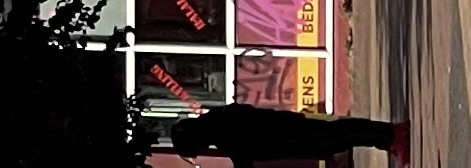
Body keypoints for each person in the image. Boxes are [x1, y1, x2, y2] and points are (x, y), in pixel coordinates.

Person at [142, 102, 411, 164]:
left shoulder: (220, 127)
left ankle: (389, 135)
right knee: (336, 136)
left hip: (289, 134)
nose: (201, 152)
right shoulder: (217, 123)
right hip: (288, 135)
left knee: (337, 136)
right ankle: (387, 137)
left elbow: (245, 149)